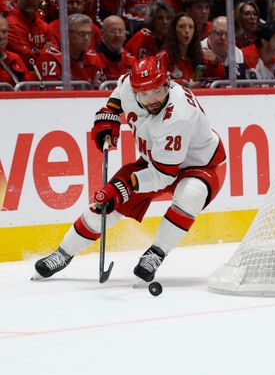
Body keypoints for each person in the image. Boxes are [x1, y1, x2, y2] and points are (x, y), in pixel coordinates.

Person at [34, 56, 227, 284]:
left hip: (202, 165)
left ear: (167, 83)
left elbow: (165, 175)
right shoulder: (129, 85)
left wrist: (123, 187)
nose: (150, 99)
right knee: (105, 205)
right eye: (143, 93)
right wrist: (109, 119)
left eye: (156, 91)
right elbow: (116, 99)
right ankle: (62, 253)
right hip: (155, 162)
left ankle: (155, 254)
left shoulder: (179, 116)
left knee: (191, 195)